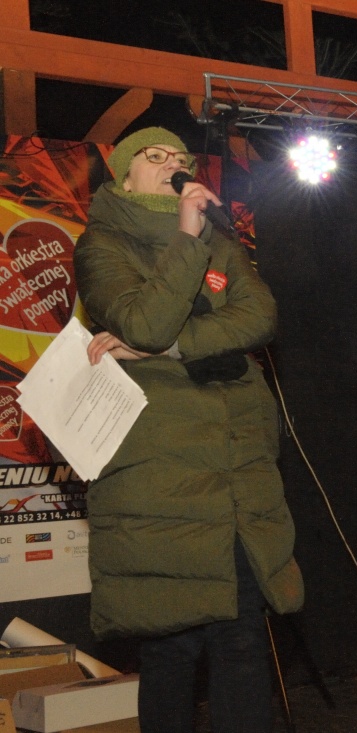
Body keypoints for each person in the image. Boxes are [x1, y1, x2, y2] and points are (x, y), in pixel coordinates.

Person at [74, 127, 304, 733]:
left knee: (243, 640)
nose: (173, 166)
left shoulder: (219, 240)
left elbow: (260, 316)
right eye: (155, 158)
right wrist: (184, 237)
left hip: (236, 474)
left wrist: (173, 349)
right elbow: (144, 322)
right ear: (124, 175)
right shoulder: (102, 243)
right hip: (161, 478)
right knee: (171, 650)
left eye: (180, 158)